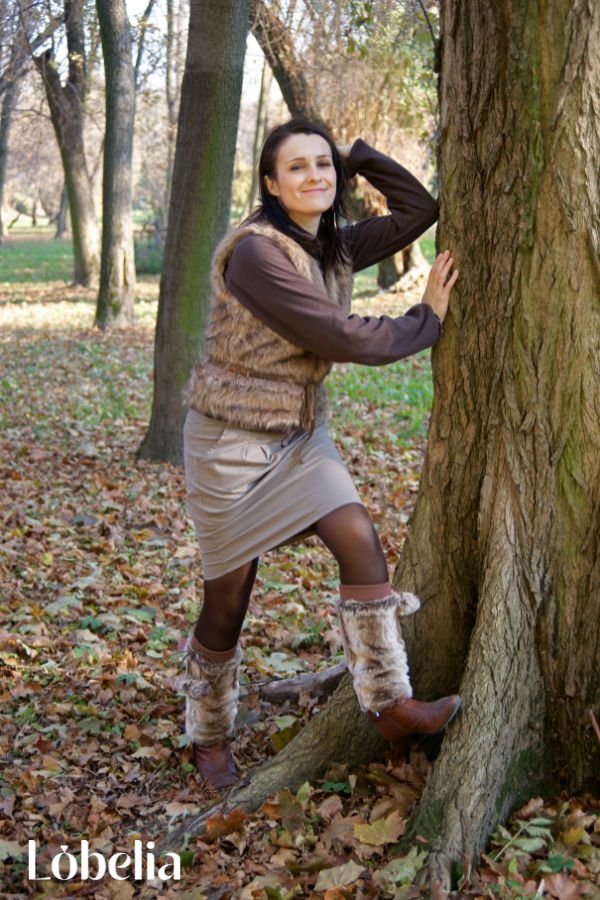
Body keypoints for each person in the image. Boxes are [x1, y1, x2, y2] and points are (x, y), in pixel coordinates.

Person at [177, 118, 461, 790]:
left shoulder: (331, 244)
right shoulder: (257, 253)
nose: (315, 178)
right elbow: (340, 336)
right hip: (231, 445)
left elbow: (421, 209)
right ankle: (208, 735)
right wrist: (427, 320)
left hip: (302, 436)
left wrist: (358, 154)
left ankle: (389, 704)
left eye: (323, 166)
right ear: (271, 185)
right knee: (229, 597)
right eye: (297, 168)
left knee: (357, 536)